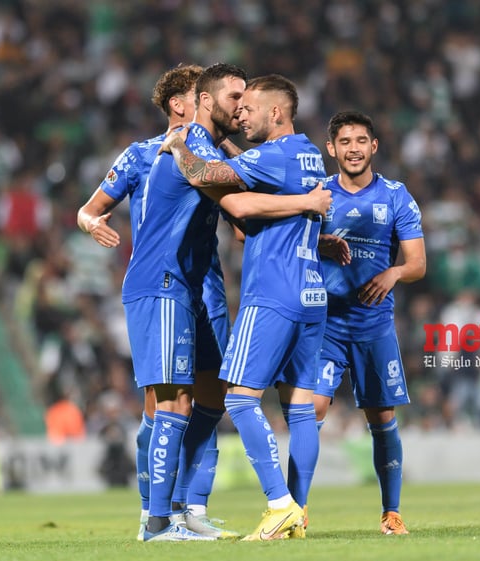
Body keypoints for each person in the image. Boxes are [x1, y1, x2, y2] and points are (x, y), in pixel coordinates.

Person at [123, 64, 331, 542]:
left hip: (271, 292)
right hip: (308, 291)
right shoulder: (309, 156)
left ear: (276, 112)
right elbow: (248, 211)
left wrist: (182, 149)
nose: (243, 112)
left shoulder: (259, 154)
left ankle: (272, 505)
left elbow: (228, 198)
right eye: (236, 101)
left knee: (235, 397)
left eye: (250, 105)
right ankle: (292, 511)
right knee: (296, 407)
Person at [78, 63, 231, 540]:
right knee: (163, 400)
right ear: (179, 105)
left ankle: (189, 509)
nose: (211, 100)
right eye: (199, 93)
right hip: (165, 281)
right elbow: (89, 208)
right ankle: (154, 513)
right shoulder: (145, 154)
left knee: (211, 397)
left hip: (206, 282)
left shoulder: (211, 148)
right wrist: (91, 224)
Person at [313, 110, 426, 535]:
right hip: (326, 322)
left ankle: (391, 512)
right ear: (332, 149)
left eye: (361, 140)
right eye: (345, 141)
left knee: (381, 418)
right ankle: (295, 511)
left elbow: (417, 263)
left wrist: (394, 272)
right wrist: (317, 241)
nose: (354, 148)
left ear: (374, 146)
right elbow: (287, 243)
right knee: (311, 411)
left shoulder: (396, 196)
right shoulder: (318, 193)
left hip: (374, 324)